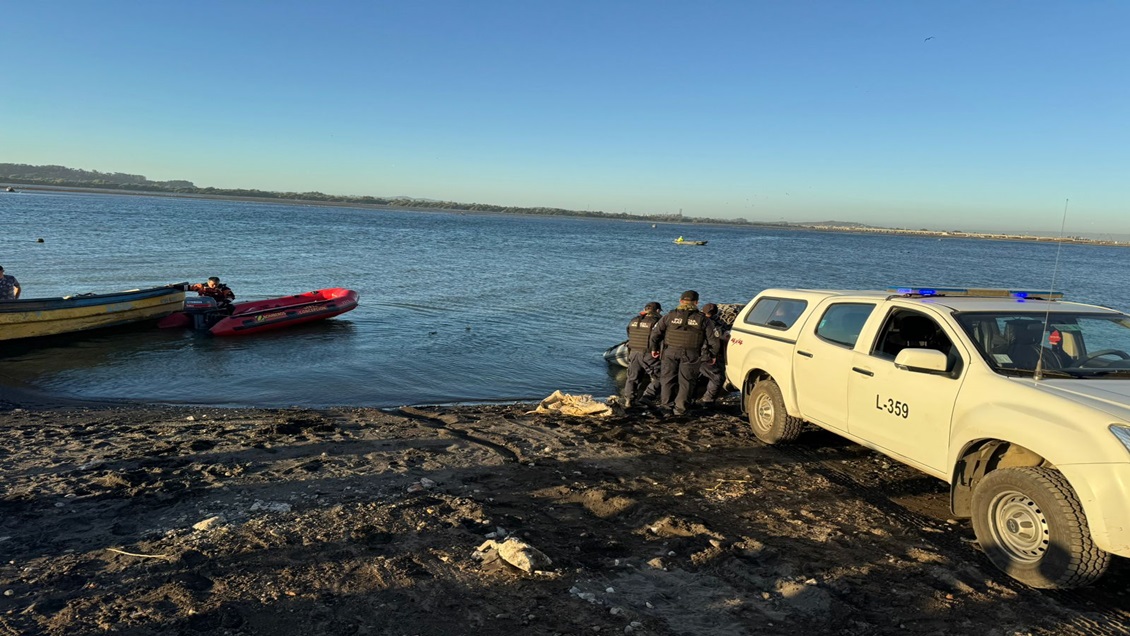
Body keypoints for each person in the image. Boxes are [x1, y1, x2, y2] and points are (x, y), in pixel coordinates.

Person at [649, 290, 721, 416]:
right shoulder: (702, 319)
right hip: (691, 353)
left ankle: (666, 408)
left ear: (681, 301)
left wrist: (654, 349)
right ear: (696, 303)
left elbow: (655, 334)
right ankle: (680, 409)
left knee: (667, 379)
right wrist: (712, 355)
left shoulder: (670, 316)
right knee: (686, 382)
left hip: (670, 351)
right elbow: (714, 340)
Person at [621, 301, 664, 408]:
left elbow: (629, 333)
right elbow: (660, 337)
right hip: (648, 353)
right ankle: (647, 397)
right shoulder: (657, 321)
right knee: (660, 377)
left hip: (633, 352)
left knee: (633, 378)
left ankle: (629, 401)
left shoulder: (634, 320)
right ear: (657, 311)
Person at [696, 303, 729, 406]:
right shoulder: (713, 323)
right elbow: (720, 337)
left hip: (689, 353)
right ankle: (707, 400)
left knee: (695, 377)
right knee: (718, 378)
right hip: (705, 355)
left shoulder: (695, 320)